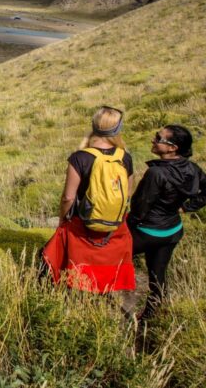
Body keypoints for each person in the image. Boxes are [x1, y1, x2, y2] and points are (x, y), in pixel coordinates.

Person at [42, 106, 137, 293]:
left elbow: (68, 197)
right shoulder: (125, 157)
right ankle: (102, 294)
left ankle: (76, 295)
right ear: (118, 129)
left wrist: (63, 220)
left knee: (72, 264)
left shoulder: (80, 158)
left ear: (93, 126)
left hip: (82, 223)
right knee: (107, 265)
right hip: (115, 224)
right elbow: (127, 193)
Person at [128, 124, 206, 320]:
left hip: (148, 232)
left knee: (109, 254)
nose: (153, 140)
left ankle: (99, 298)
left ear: (172, 148)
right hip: (172, 231)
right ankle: (151, 314)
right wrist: (184, 208)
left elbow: (140, 207)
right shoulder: (191, 168)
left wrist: (127, 226)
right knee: (157, 273)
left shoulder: (156, 173)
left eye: (158, 138)